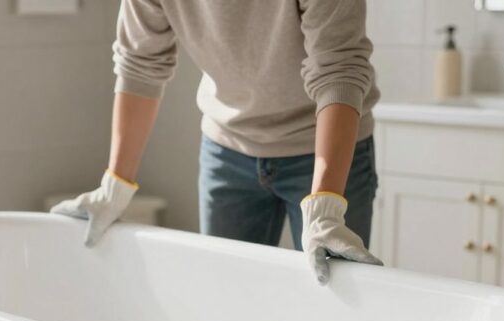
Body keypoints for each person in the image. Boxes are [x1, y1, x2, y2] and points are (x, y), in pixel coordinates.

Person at [50, 0, 382, 284]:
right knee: (225, 296)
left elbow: (339, 70)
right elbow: (140, 64)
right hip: (228, 148)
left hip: (323, 148)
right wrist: (115, 185)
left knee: (334, 303)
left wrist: (326, 207)